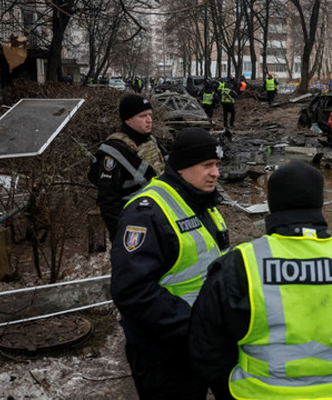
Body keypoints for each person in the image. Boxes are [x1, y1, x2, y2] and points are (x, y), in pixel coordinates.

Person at [189, 160, 332, 399]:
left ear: (272, 204)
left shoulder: (240, 263)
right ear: (319, 203)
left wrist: (227, 391)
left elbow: (206, 345)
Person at [111, 127, 230, 400]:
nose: (216, 173)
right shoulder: (146, 214)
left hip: (199, 344)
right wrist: (198, 324)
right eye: (207, 165)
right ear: (182, 167)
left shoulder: (200, 200)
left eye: (217, 165)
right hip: (164, 353)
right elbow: (132, 291)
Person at [92, 94, 166, 242]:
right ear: (128, 119)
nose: (149, 120)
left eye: (150, 115)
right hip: (135, 225)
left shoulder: (149, 139)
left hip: (158, 218)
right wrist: (120, 237)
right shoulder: (114, 151)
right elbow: (108, 201)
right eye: (142, 116)